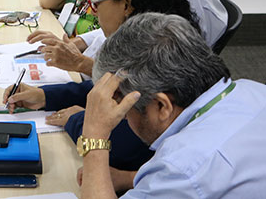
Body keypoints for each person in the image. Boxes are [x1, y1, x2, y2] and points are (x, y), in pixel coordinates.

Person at [5, 0, 198, 170]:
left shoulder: (162, 50)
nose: (93, 12)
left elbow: (127, 146)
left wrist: (82, 120)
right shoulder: (150, 36)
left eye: (96, 2)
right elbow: (110, 87)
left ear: (126, 5)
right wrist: (45, 96)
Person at [81, 12, 266, 198]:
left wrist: (94, 136)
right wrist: (128, 178)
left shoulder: (181, 168)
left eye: (125, 112)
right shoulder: (253, 89)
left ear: (162, 106)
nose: (124, 120)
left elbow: (192, 176)